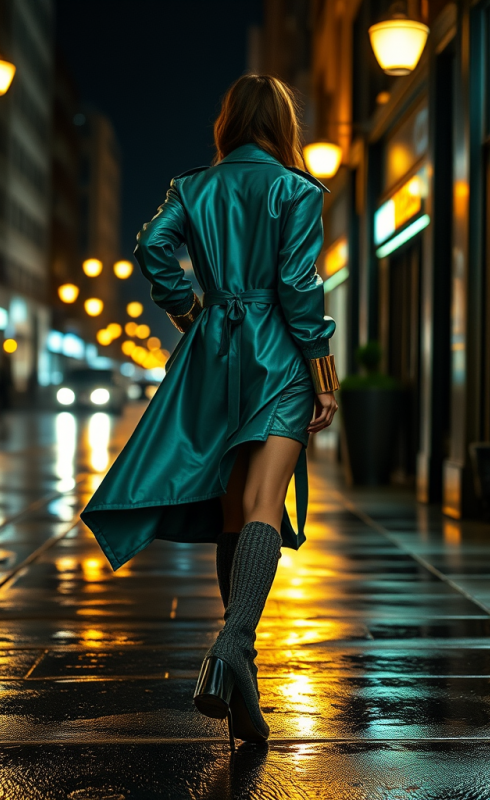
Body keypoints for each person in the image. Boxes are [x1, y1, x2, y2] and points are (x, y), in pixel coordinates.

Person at [81, 74, 339, 749]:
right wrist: (322, 369)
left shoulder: (191, 187)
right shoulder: (296, 189)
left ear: (228, 123)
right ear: (283, 124)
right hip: (277, 356)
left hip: (212, 353)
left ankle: (239, 672)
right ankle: (231, 647)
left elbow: (152, 248)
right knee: (263, 505)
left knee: (233, 511)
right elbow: (296, 285)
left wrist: (187, 310)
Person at [0, 354, 13, 419]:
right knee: (1, 404)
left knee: (3, 404)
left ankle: (1, 416)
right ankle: (0, 416)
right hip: (1, 389)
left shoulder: (5, 369)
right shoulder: (1, 369)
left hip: (3, 389)